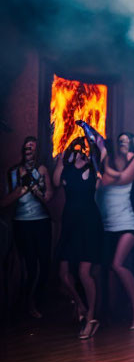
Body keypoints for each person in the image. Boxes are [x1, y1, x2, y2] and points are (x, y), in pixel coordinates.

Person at [53, 136, 103, 339]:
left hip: (89, 225)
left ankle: (91, 318)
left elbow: (100, 168)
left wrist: (93, 153)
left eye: (83, 150)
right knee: (63, 273)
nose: (80, 152)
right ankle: (81, 307)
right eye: (76, 149)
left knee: (84, 273)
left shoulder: (93, 172)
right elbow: (56, 182)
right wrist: (61, 161)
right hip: (70, 225)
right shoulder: (65, 171)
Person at [99, 132, 134, 329]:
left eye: (127, 141)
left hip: (127, 222)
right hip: (108, 224)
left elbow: (122, 178)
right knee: (108, 268)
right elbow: (103, 184)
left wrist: (103, 160)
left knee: (118, 265)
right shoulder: (111, 162)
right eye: (121, 141)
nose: (123, 144)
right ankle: (112, 311)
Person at [1, 137, 52, 318]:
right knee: (29, 264)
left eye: (32, 148)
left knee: (45, 264)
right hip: (22, 223)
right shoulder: (14, 172)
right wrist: (21, 189)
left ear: (36, 152)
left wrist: (37, 190)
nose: (28, 150)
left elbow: (49, 197)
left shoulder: (42, 170)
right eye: (26, 148)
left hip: (42, 222)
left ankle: (37, 300)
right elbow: (4, 202)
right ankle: (28, 304)